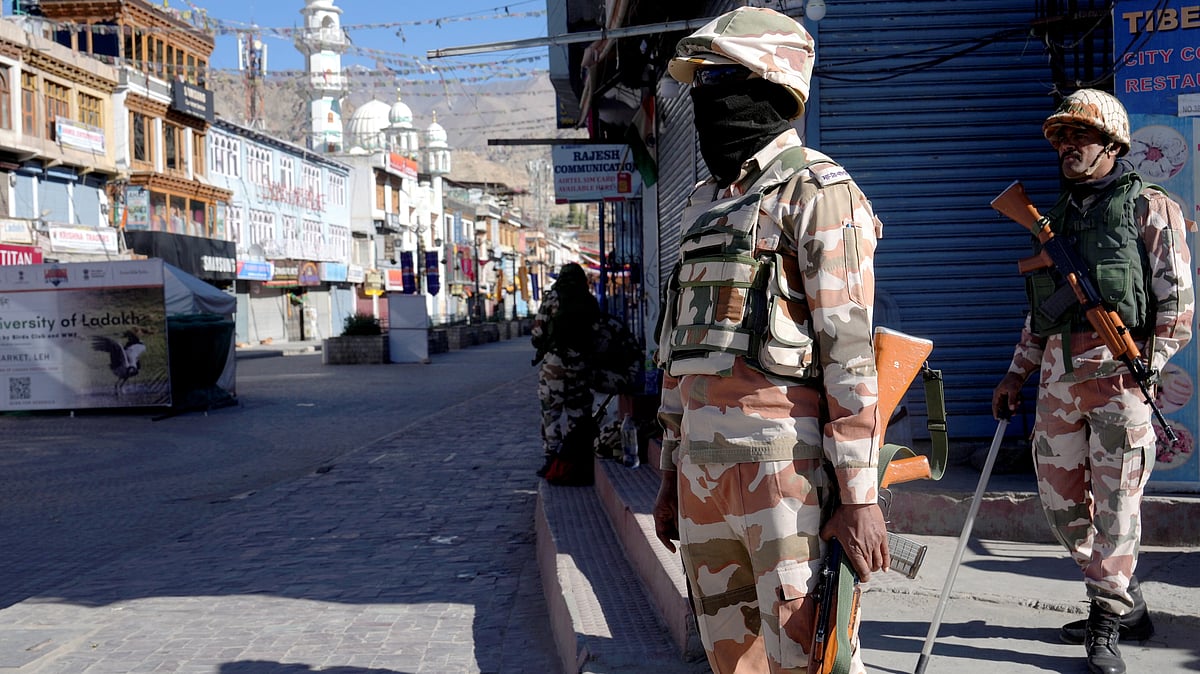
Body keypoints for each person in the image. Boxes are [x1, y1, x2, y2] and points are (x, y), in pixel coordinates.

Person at [651, 8, 887, 673]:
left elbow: (849, 356)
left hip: (786, 477)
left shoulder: (818, 192)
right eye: (700, 78)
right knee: (733, 665)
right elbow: (680, 352)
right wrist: (671, 468)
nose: (704, 93)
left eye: (720, 75)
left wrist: (860, 498)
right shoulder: (704, 204)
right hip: (703, 473)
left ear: (772, 83)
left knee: (810, 661)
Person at [992, 89, 1194, 674]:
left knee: (1117, 506)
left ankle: (1106, 616)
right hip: (1058, 376)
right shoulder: (1052, 218)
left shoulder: (1149, 208)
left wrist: (1142, 363)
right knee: (1059, 504)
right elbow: (1040, 309)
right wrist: (1016, 372)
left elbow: (1177, 304)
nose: (1067, 147)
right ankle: (1123, 599)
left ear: (1112, 144)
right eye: (1060, 138)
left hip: (1121, 380)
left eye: (1079, 136)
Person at [531, 262, 601, 479]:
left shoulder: (553, 297)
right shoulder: (589, 300)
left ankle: (553, 461)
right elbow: (597, 333)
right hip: (579, 367)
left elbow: (537, 331)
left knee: (551, 415)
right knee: (577, 416)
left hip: (554, 365)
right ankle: (577, 460)